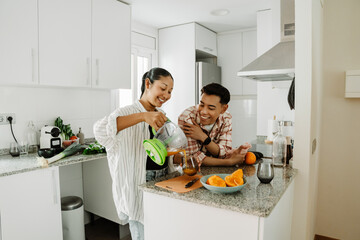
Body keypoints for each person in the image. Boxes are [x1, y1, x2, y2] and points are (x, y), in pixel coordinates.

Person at [93, 67, 174, 240]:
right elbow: (99, 130)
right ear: (147, 84)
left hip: (163, 180)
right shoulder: (125, 112)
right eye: (163, 88)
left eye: (170, 91)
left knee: (160, 233)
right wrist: (143, 116)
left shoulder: (162, 116)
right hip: (138, 185)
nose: (166, 95)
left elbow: (163, 148)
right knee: (142, 234)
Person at [177, 83, 251, 167]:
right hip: (188, 171)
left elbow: (224, 152)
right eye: (202, 104)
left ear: (223, 109)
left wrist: (203, 137)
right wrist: (229, 162)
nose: (203, 111)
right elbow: (192, 158)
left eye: (211, 108)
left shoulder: (226, 117)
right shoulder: (187, 118)